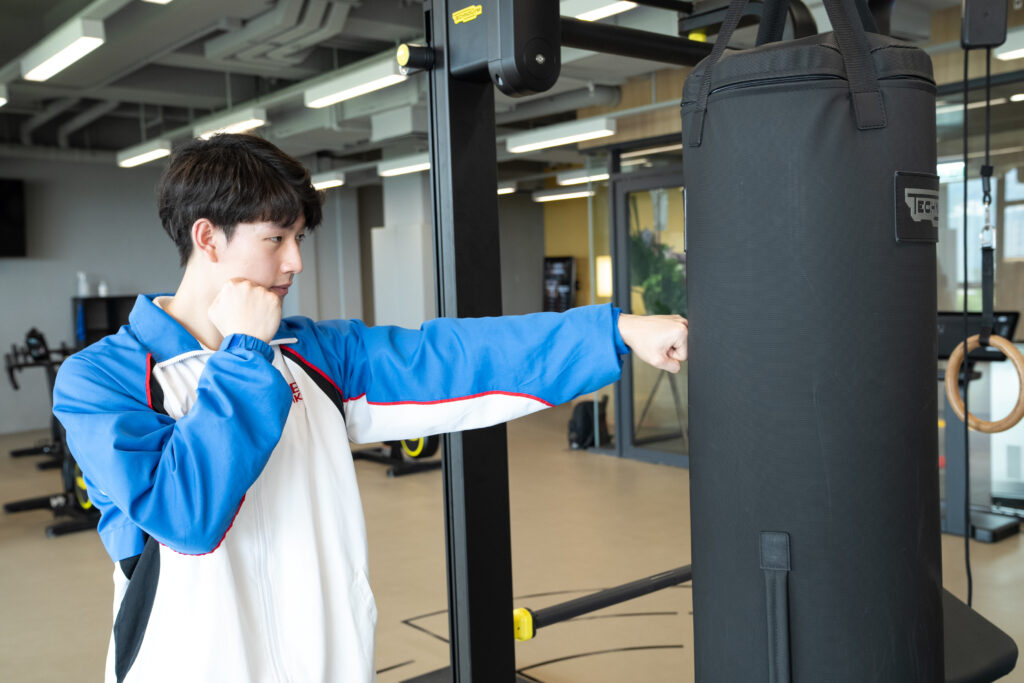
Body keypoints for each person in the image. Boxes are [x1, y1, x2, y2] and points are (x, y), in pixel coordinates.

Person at [52, 133, 688, 683]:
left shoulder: (317, 357)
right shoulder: (99, 381)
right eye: (275, 238)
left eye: (298, 238)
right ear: (206, 238)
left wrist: (615, 331)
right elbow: (187, 514)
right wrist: (246, 353)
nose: (295, 261)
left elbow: (460, 357)